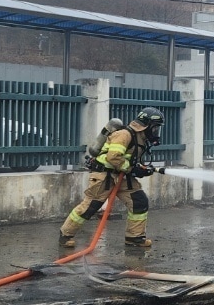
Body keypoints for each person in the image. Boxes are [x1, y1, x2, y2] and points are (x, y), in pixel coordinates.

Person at [59, 106, 163, 249]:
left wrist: (140, 169)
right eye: (155, 127)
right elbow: (113, 157)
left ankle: (135, 237)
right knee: (91, 206)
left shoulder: (140, 138)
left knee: (139, 201)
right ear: (146, 125)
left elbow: (128, 159)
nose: (156, 131)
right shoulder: (124, 135)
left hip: (122, 175)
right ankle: (65, 234)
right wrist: (132, 169)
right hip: (104, 175)